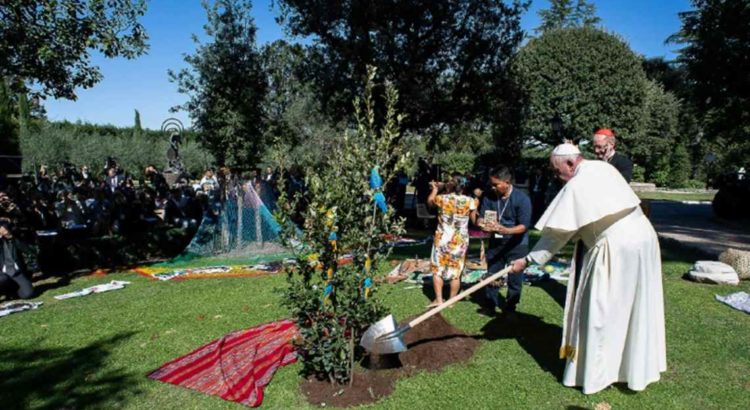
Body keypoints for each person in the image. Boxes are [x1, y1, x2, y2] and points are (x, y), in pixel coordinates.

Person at [510, 143, 666, 394]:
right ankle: (631, 369)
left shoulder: (578, 184)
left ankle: (599, 374)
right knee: (633, 304)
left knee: (600, 309)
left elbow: (558, 234)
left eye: (557, 170)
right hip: (644, 238)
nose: (557, 176)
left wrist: (527, 260)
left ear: (571, 163)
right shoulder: (603, 168)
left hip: (616, 247)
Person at [473, 166, 531, 315]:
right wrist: (481, 223)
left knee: (515, 279)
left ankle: (510, 308)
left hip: (517, 244)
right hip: (496, 243)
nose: (492, 187)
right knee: (492, 275)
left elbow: (524, 226)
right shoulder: (489, 197)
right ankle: (490, 305)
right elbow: (481, 217)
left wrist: (506, 230)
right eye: (491, 184)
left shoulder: (522, 199)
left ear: (507, 182)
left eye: (496, 184)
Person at [426, 177, 477, 308]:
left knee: (438, 270)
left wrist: (435, 190)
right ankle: (451, 300)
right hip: (459, 241)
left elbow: (430, 202)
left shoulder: (442, 198)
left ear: (450, 186)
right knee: (456, 272)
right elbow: (474, 221)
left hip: (442, 239)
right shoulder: (470, 201)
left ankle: (439, 299)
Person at [0, 220, 34, 300]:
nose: (4, 231)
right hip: (2, 273)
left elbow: (28, 250)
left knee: (28, 294)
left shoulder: (15, 239)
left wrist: (12, 237)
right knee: (3, 279)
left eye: (5, 228)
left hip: (16, 272)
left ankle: (11, 292)